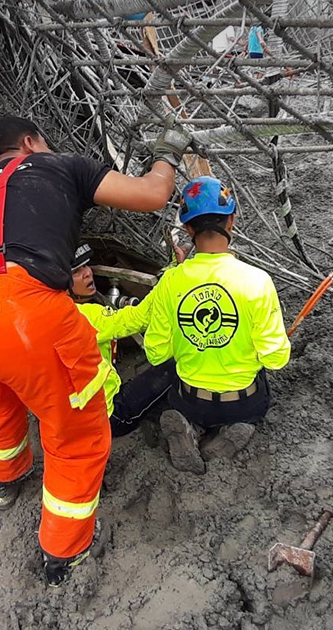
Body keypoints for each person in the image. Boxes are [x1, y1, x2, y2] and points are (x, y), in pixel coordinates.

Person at [0, 116, 187, 587]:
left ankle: (5, 482)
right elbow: (151, 196)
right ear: (29, 143)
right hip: (23, 318)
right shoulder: (57, 166)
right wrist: (167, 154)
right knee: (75, 433)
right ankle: (65, 553)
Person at [132, 176, 291, 475]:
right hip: (242, 401)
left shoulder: (171, 282)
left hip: (191, 399)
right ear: (231, 221)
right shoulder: (257, 281)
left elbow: (156, 354)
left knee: (176, 388)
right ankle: (237, 427)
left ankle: (190, 425)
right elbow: (276, 358)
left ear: (188, 229)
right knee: (260, 389)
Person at [68, 243, 176, 437]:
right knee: (174, 366)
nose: (87, 273)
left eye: (86, 265)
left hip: (76, 418)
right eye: (76, 271)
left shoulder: (51, 314)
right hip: (110, 418)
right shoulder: (86, 317)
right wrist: (171, 277)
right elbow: (138, 319)